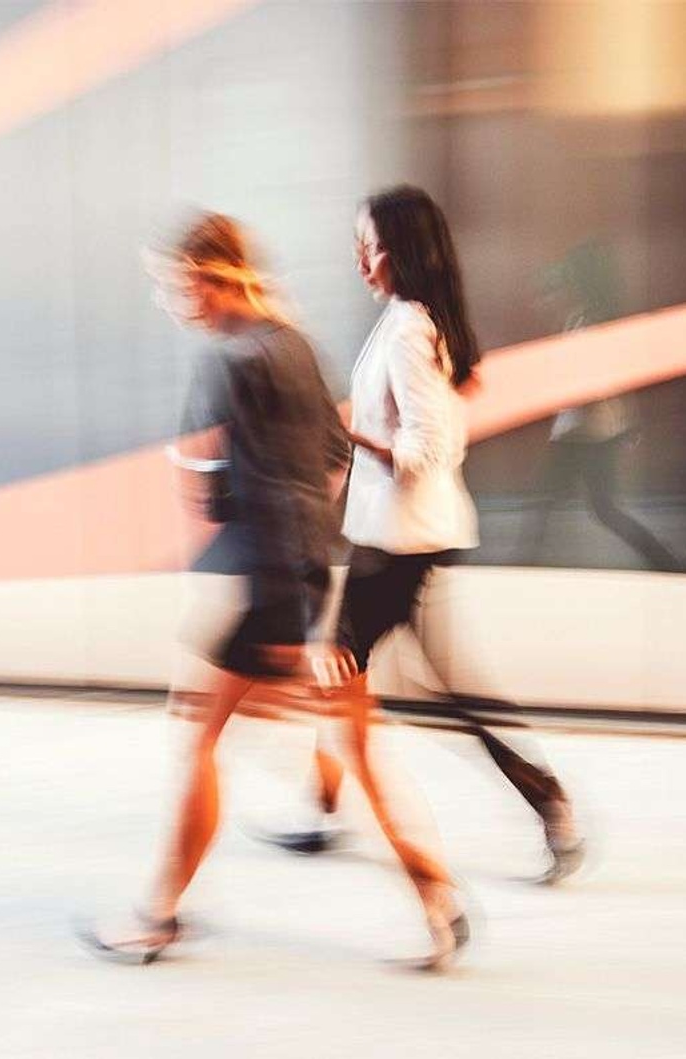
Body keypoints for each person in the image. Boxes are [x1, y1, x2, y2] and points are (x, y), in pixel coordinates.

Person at [80, 212, 466, 971]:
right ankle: (440, 900)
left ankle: (159, 916)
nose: (168, 299)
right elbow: (332, 454)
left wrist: (291, 610)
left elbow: (239, 490)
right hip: (313, 569)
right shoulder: (291, 342)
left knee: (200, 734)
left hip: (275, 585)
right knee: (353, 746)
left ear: (207, 279)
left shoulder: (231, 360)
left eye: (171, 284)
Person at [259, 187, 582, 891]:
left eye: (369, 243)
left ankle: (538, 805)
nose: (359, 257)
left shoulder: (408, 327)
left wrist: (350, 437)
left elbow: (429, 447)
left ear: (402, 248)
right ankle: (330, 809)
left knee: (346, 669)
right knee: (377, 676)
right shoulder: (410, 322)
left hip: (401, 543)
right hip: (400, 537)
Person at [518, 241, 686, 573]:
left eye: (571, 279)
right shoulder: (581, 319)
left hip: (586, 430)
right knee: (596, 507)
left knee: (569, 504)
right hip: (586, 429)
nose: (565, 285)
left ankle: (525, 563)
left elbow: (603, 379)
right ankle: (665, 560)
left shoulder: (594, 323)